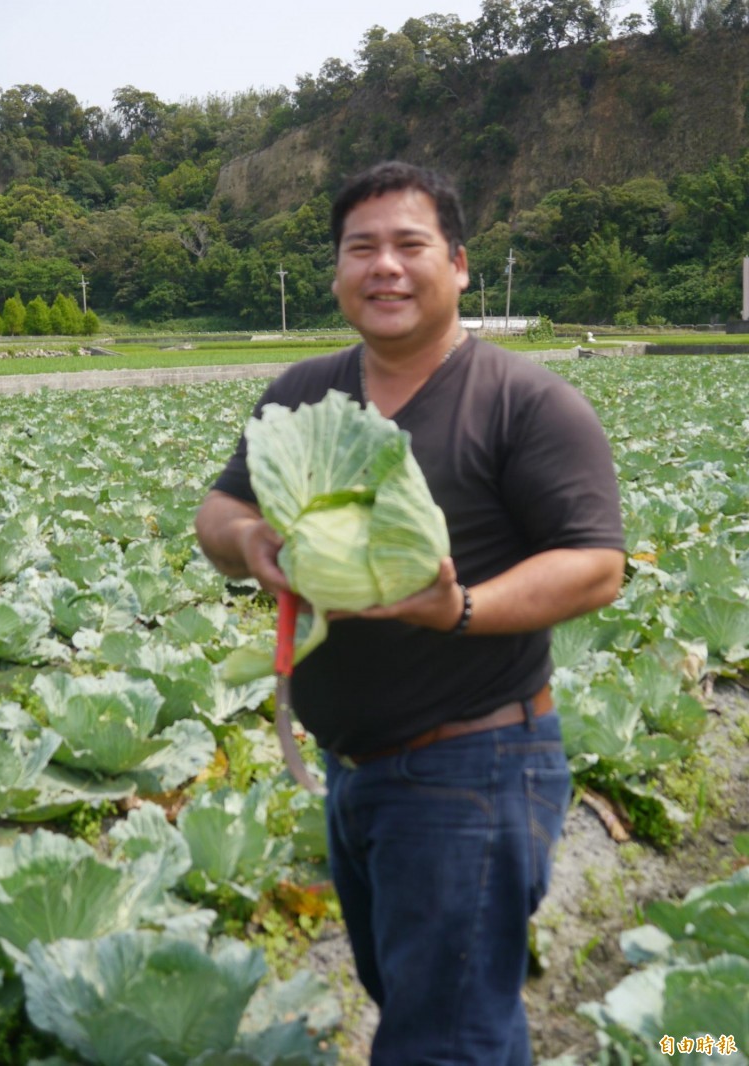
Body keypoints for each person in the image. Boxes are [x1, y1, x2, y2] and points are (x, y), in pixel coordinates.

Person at [195, 161, 625, 1066]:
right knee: (435, 1005)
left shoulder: (526, 401)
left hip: (472, 765)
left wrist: (459, 608)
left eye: (409, 245)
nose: (383, 266)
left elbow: (595, 567)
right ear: (337, 272)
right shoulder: (302, 393)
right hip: (353, 773)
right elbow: (219, 511)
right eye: (362, 249)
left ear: (460, 265)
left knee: (442, 1038)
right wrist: (250, 546)